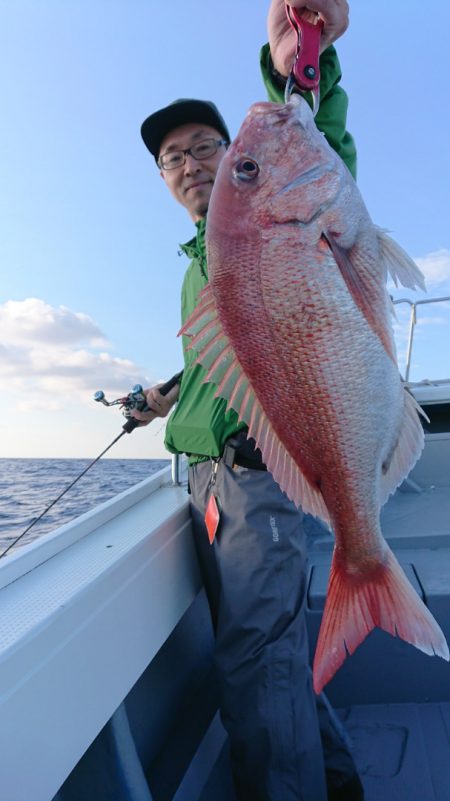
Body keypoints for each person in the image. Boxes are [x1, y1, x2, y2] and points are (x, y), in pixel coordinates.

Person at [135, 2, 364, 799]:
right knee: (274, 658)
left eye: (208, 147)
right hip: (206, 485)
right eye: (174, 158)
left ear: (235, 155)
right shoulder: (201, 265)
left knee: (253, 660)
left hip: (253, 483)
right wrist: (160, 399)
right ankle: (334, 782)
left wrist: (301, 61)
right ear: (163, 179)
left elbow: (315, 141)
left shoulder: (268, 218)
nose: (193, 163)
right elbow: (213, 363)